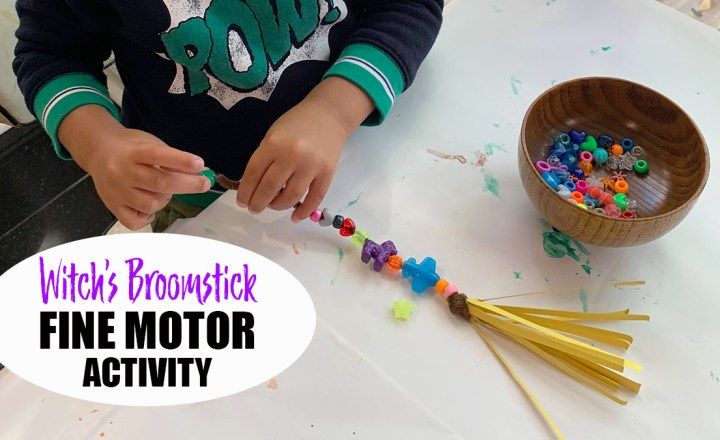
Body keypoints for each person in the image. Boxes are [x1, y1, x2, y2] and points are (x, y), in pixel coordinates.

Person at [14, 0, 443, 230]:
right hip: (199, 200)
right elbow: (51, 55)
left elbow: (408, 7)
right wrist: (98, 142)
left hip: (361, 153)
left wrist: (333, 110)